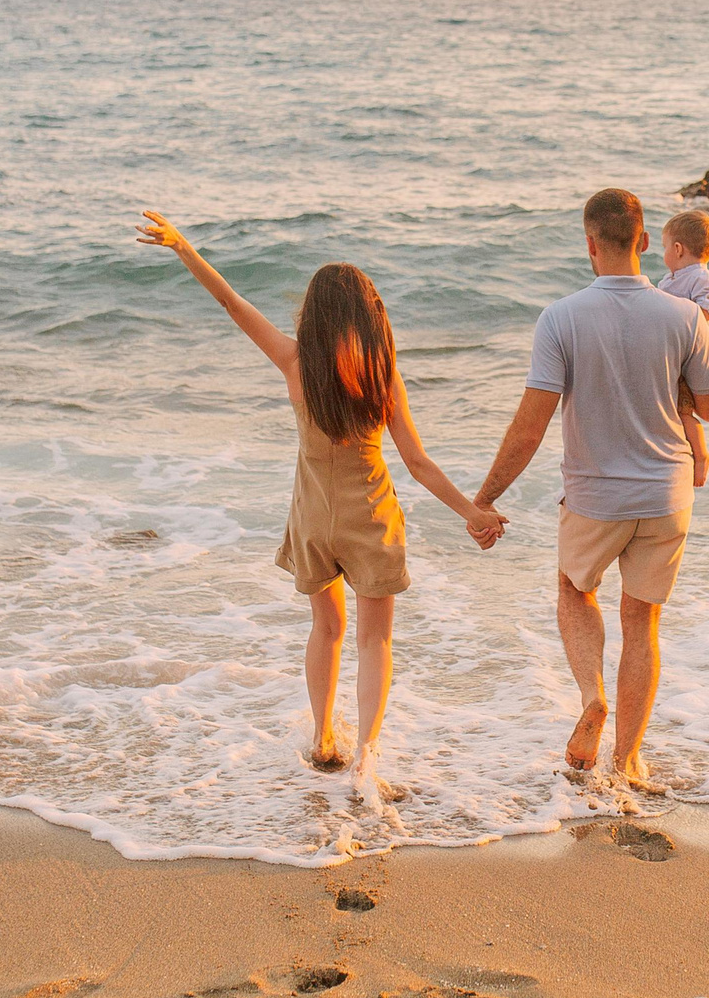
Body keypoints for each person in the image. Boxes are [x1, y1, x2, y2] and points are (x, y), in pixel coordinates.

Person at [135, 210, 504, 797]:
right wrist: (473, 512)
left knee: (326, 629)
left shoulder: (294, 363)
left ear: (313, 316)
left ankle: (322, 736)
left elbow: (231, 303)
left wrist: (183, 246)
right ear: (370, 318)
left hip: (312, 518)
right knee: (375, 640)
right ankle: (366, 757)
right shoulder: (383, 377)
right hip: (371, 519)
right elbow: (417, 462)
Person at [474, 188, 709, 787]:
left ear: (590, 244)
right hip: (667, 495)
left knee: (574, 589)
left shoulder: (561, 317)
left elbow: (530, 427)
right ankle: (627, 760)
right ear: (645, 241)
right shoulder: (685, 316)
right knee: (642, 621)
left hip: (595, 498)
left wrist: (485, 498)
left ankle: (592, 696)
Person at [656, 209, 709, 489]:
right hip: (670, 353)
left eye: (664, 247)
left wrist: (680, 317)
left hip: (687, 355)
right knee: (670, 408)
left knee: (684, 411)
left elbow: (708, 309)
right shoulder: (669, 280)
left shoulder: (700, 277)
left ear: (678, 249)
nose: (663, 254)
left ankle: (701, 455)